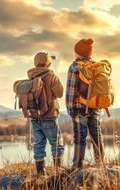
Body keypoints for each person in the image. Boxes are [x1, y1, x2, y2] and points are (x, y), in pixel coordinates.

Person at [66, 38, 104, 169]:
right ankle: (100, 163)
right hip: (95, 106)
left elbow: (71, 89)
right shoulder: (97, 66)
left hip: (78, 107)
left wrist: (70, 108)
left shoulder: (75, 67)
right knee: (96, 135)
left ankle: (77, 165)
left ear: (77, 53)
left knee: (80, 136)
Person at [27, 52, 64, 175]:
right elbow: (60, 93)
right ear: (48, 63)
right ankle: (58, 174)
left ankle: (40, 174)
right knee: (57, 144)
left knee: (38, 145)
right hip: (49, 116)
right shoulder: (51, 75)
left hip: (34, 117)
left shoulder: (31, 76)